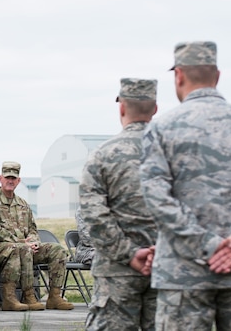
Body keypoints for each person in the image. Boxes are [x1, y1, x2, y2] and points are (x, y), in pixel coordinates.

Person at [140, 41, 231, 331]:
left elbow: (156, 197)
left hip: (183, 274)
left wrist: (207, 244)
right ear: (216, 76)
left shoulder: (162, 127)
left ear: (178, 76)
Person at [79, 78, 158, 330]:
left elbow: (94, 217)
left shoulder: (102, 155)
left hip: (116, 273)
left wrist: (130, 254)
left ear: (121, 107)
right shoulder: (176, 153)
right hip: (165, 268)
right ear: (155, 109)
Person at [0, 162, 74, 311]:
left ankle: (54, 296)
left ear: (18, 181)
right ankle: (28, 296)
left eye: (13, 178)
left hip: (25, 248)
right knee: (22, 248)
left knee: (57, 250)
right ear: (0, 178)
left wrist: (34, 241)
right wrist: (21, 242)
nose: (10, 181)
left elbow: (32, 228)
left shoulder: (22, 204)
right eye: (7, 177)